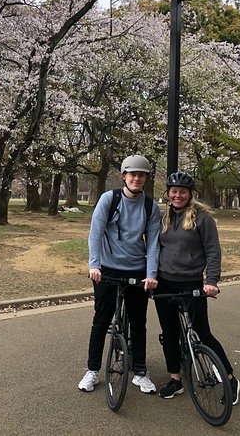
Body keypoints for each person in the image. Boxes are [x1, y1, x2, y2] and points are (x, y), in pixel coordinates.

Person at [154, 171, 240, 405]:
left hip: (191, 283)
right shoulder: (163, 218)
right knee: (169, 333)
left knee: (202, 331)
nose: (178, 195)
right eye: (174, 191)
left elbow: (213, 251)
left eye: (182, 192)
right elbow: (153, 250)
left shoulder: (202, 219)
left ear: (190, 194)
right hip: (164, 283)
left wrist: (211, 281)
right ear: (168, 193)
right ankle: (175, 379)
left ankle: (230, 378)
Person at [78, 155, 161, 393]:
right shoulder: (109, 199)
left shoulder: (150, 207)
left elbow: (153, 242)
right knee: (101, 321)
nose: (137, 178)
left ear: (145, 179)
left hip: (137, 270)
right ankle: (92, 370)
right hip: (107, 269)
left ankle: (141, 372)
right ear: (124, 176)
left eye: (141, 175)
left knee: (138, 323)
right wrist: (94, 265)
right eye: (132, 174)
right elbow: (95, 233)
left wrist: (152, 273)